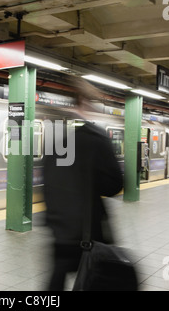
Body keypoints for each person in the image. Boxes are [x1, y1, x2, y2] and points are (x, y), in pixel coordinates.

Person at [43, 78, 124, 291]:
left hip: (59, 229)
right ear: (85, 102)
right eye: (93, 103)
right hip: (89, 232)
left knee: (56, 282)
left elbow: (46, 182)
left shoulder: (54, 134)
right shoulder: (97, 138)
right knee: (95, 281)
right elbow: (115, 185)